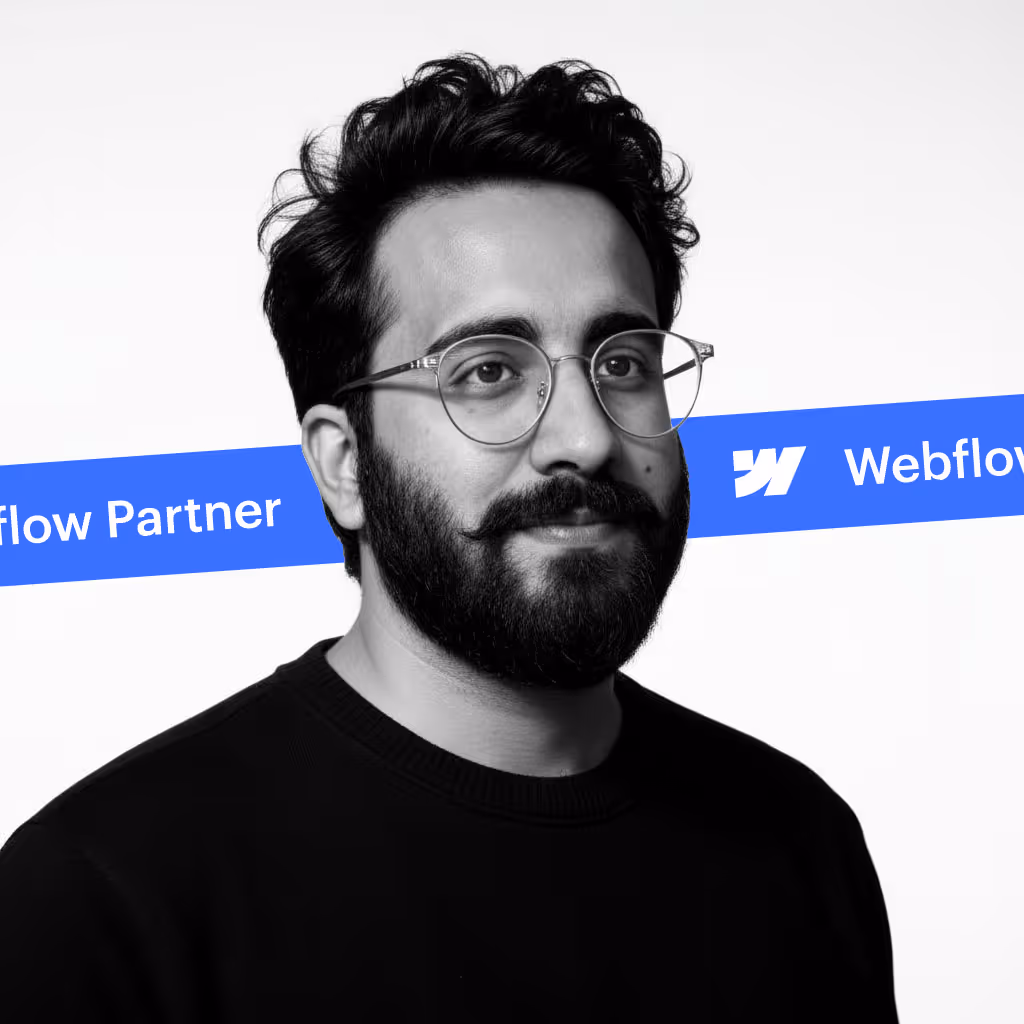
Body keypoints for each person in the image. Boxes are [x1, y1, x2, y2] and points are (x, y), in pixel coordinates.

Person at [0, 54, 898, 1021]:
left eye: (623, 362)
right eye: (486, 372)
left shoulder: (798, 838)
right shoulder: (101, 898)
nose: (586, 437)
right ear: (346, 464)